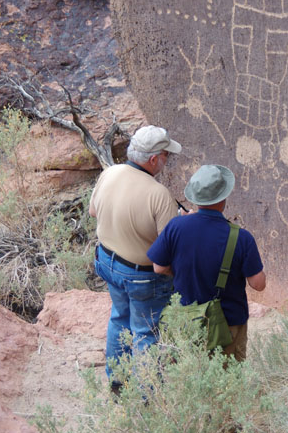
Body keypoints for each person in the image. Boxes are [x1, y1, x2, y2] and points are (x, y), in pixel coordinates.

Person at [89, 125, 182, 388]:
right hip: (141, 276)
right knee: (145, 332)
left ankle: (118, 383)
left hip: (107, 261)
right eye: (166, 155)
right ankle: (146, 398)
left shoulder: (111, 172)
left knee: (119, 319)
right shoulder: (159, 195)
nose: (167, 160)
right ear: (154, 159)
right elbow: (166, 256)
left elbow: (93, 211)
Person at [148, 164, 266, 361]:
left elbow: (158, 267)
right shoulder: (242, 237)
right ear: (223, 198)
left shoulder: (176, 226)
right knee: (229, 379)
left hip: (186, 318)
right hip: (229, 322)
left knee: (189, 372)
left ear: (195, 197)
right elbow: (258, 284)